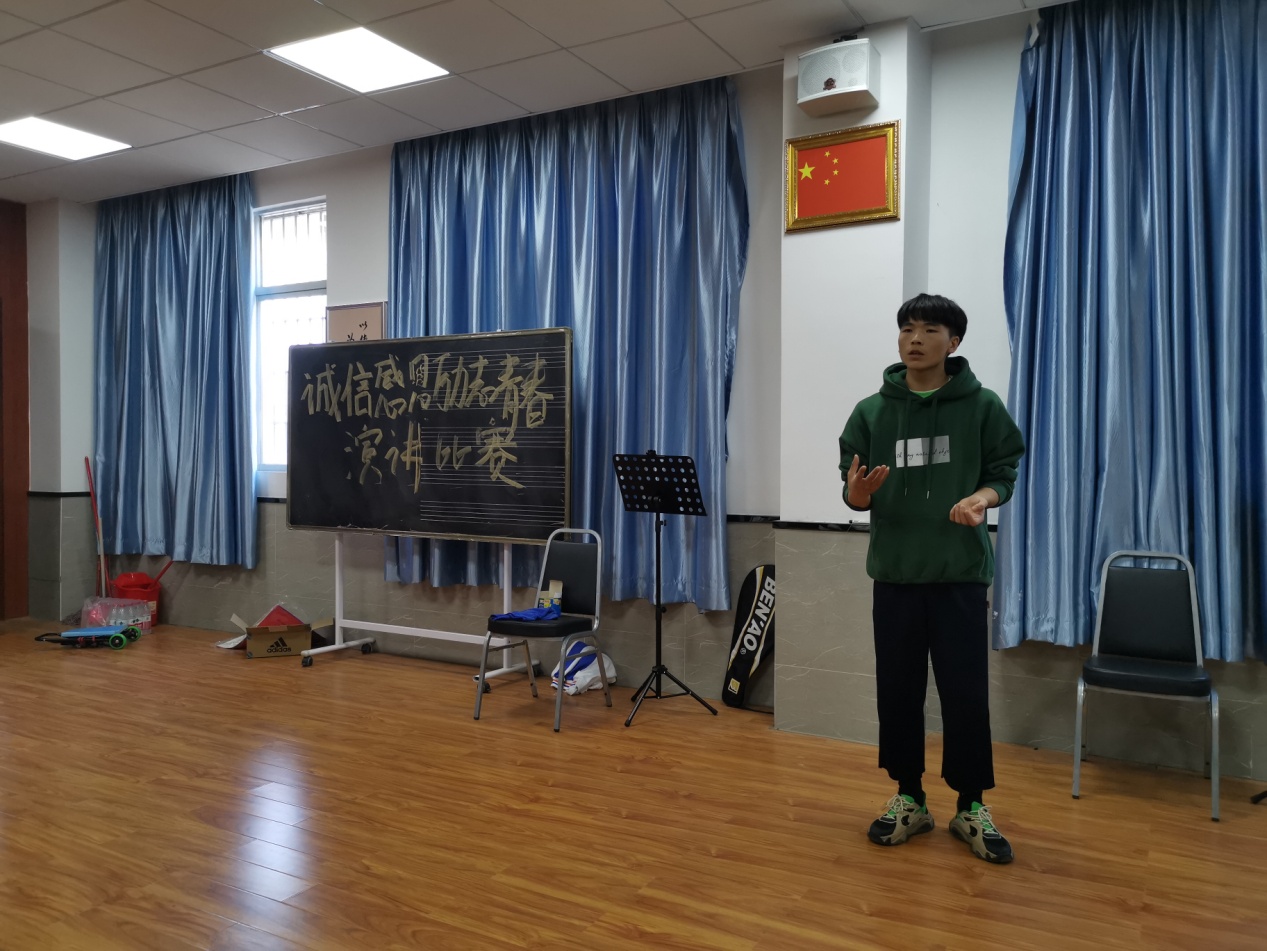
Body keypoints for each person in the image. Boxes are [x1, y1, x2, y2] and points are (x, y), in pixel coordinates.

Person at [838, 293, 1025, 864]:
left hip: (959, 576)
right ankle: (910, 798)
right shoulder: (870, 412)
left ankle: (971, 806)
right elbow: (852, 491)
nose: (915, 339)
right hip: (895, 575)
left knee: (965, 694)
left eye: (929, 330)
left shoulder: (982, 406)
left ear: (954, 341)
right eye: (907, 329)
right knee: (898, 692)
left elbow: (1004, 472)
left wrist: (982, 498)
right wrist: (858, 494)